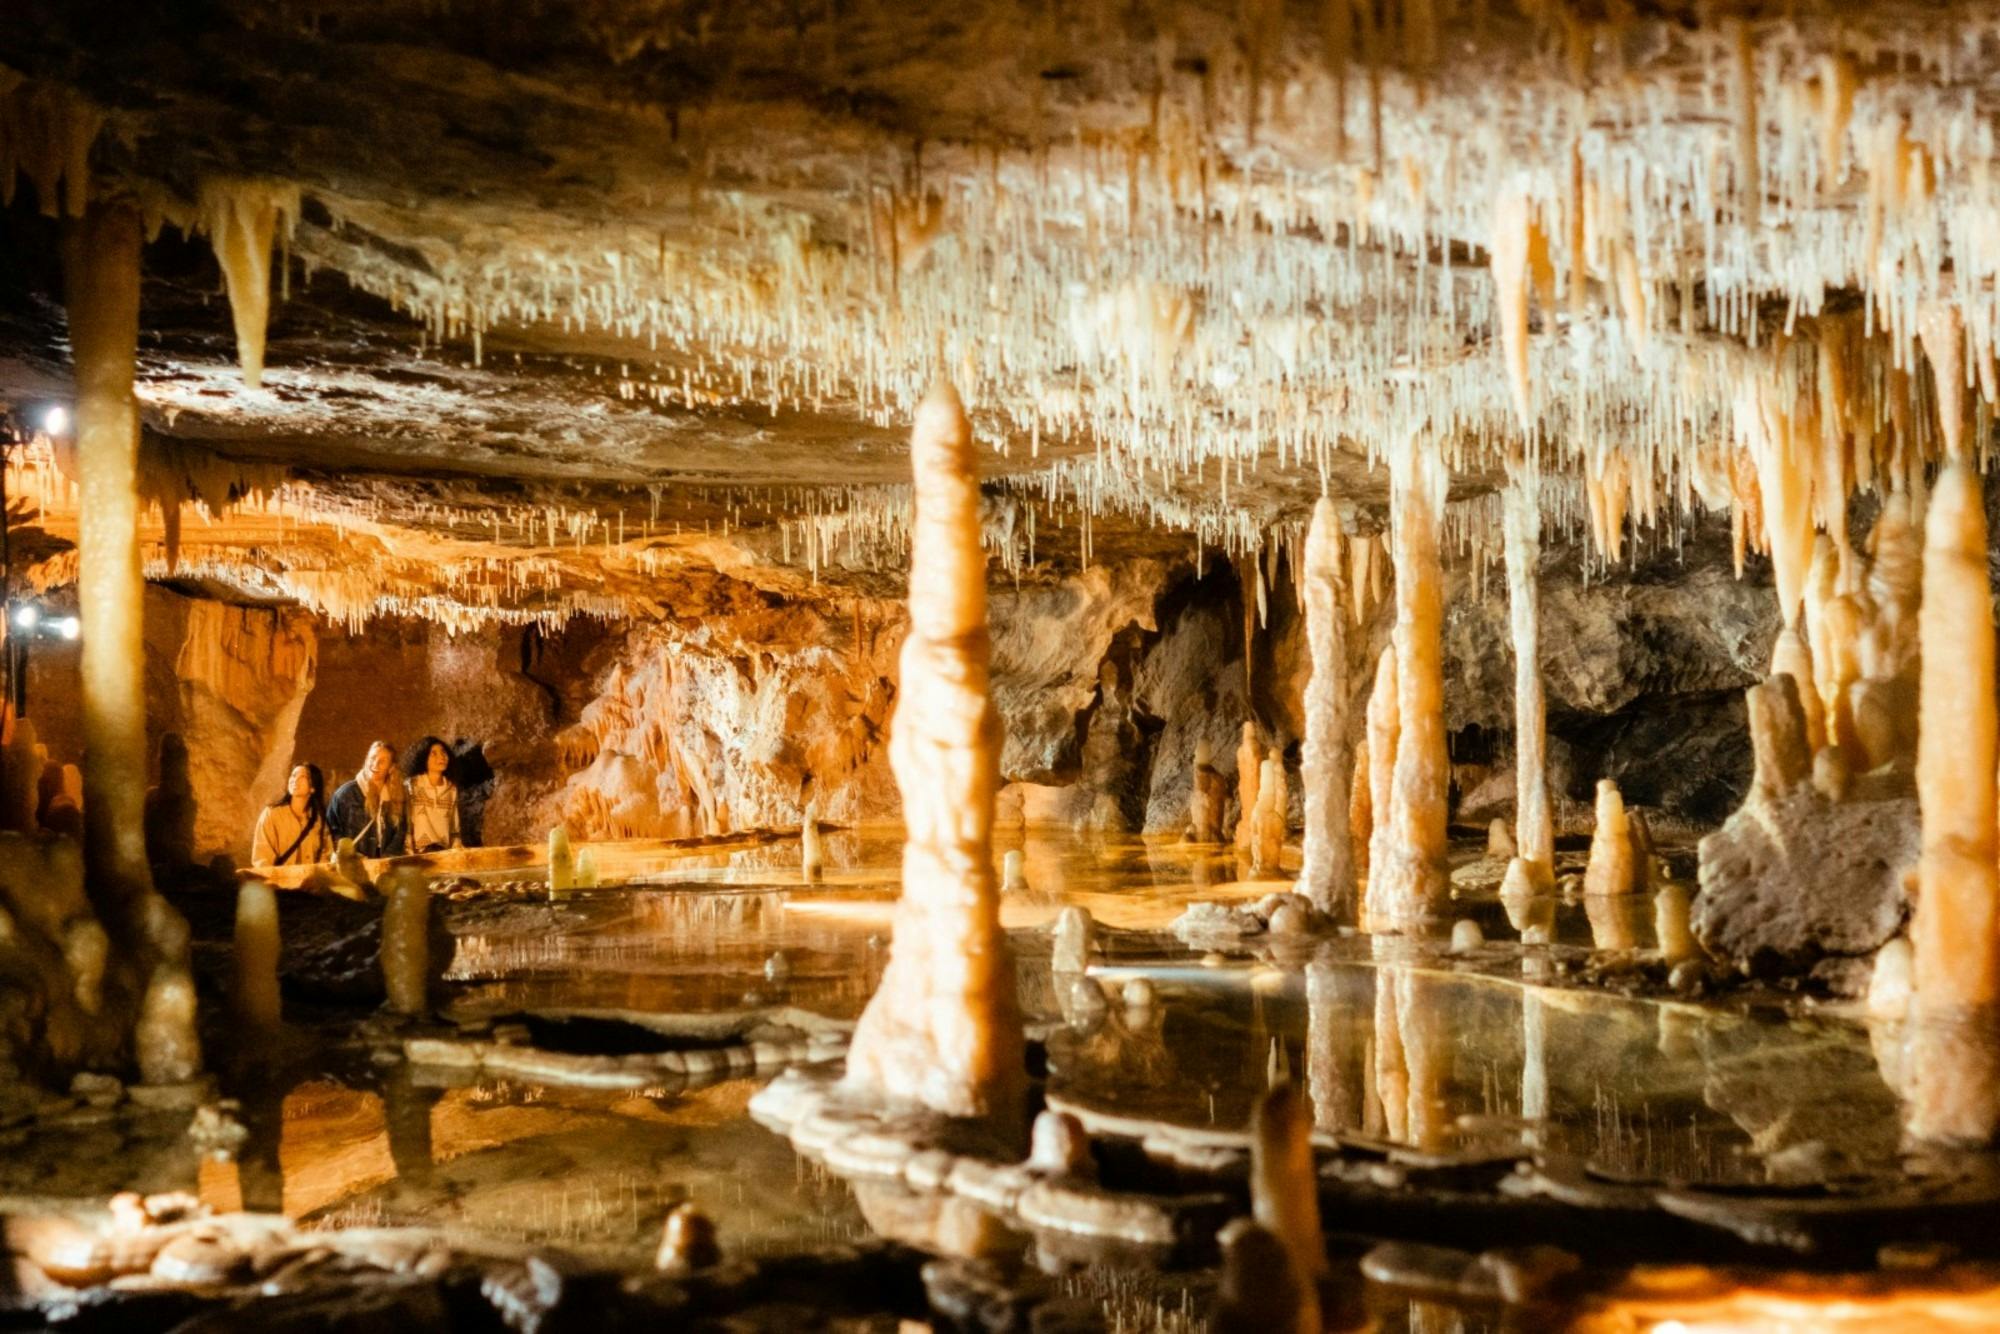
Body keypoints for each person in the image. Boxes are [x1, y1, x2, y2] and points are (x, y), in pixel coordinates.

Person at [326, 740, 408, 858]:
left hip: (385, 864)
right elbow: (332, 829)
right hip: (355, 865)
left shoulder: (396, 796)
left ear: (391, 767)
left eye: (382, 761)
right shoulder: (345, 794)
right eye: (372, 758)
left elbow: (400, 830)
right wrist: (350, 856)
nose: (375, 763)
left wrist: (388, 857)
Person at [250, 764, 331, 868]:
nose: (295, 780)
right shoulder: (271, 814)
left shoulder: (319, 820)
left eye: (302, 777)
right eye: (293, 775)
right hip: (279, 882)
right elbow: (262, 857)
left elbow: (326, 855)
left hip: (311, 882)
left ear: (312, 788)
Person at [402, 735, 462, 853]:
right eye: (434, 753)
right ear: (424, 758)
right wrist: (409, 853)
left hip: (444, 852)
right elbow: (406, 825)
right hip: (418, 853)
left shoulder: (451, 789)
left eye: (443, 752)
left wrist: (456, 849)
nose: (441, 757)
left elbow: (455, 828)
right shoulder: (412, 786)